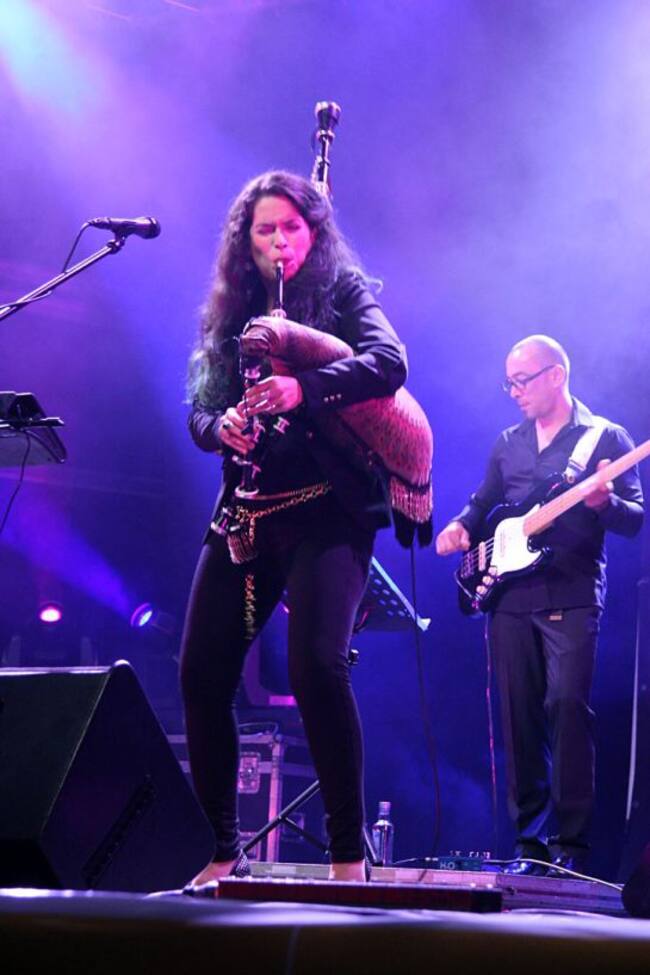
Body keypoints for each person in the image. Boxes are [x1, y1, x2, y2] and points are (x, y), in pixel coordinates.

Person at [179, 170, 407, 887]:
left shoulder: (343, 292)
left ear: (313, 232)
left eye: (291, 228)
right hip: (248, 506)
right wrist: (225, 428)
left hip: (327, 505)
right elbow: (197, 412)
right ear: (244, 243)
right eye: (264, 231)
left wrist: (302, 386)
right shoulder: (226, 312)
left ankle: (346, 858)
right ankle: (221, 851)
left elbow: (390, 363)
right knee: (200, 673)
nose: (279, 242)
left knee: (315, 664)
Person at [436, 335, 644, 876]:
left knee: (567, 709)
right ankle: (528, 846)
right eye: (508, 382)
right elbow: (485, 501)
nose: (514, 392)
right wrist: (460, 525)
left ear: (556, 375)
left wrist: (606, 502)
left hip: (572, 594)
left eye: (521, 381)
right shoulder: (509, 441)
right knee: (518, 719)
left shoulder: (605, 438)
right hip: (509, 596)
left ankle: (571, 849)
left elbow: (635, 517)